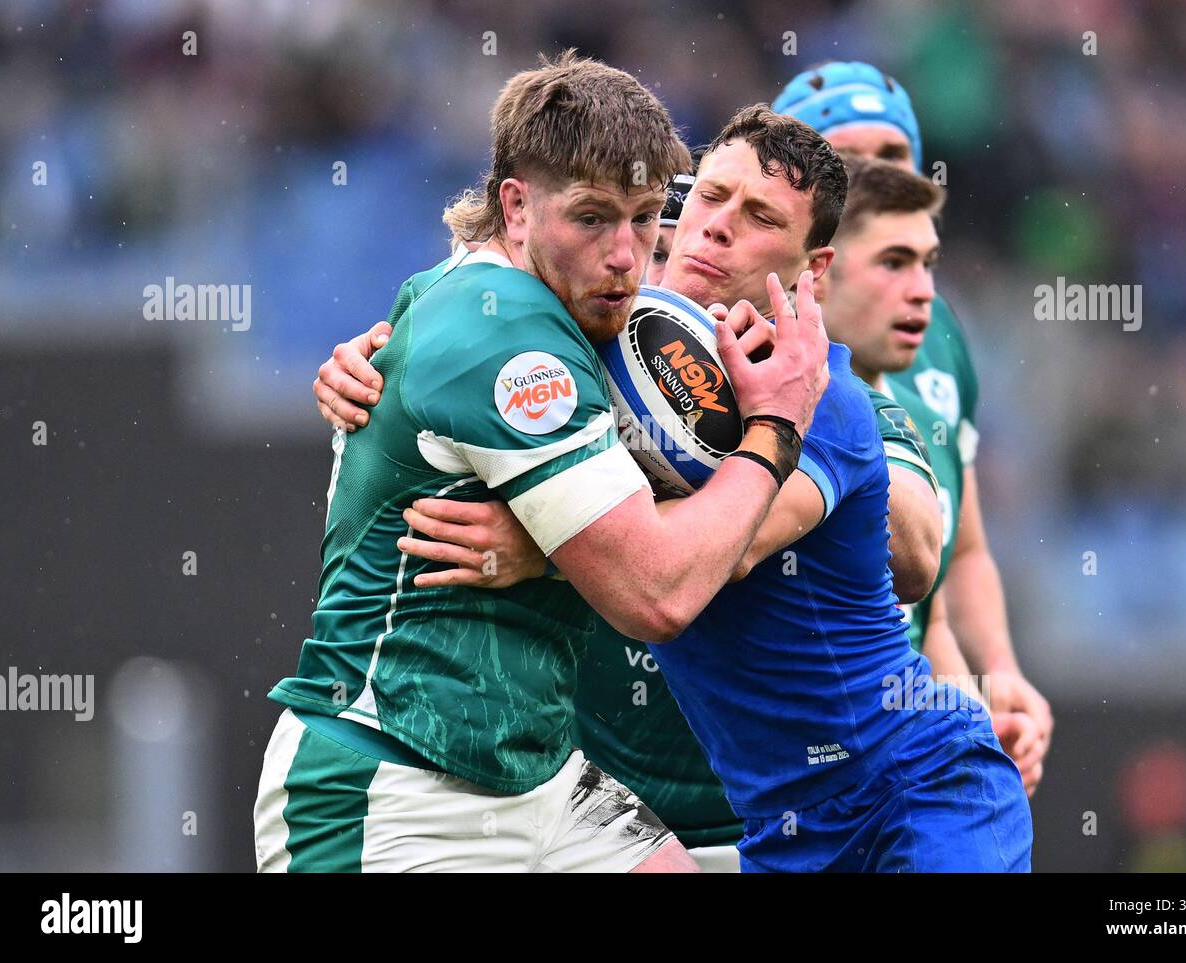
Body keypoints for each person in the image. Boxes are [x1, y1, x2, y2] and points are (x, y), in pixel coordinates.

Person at [317, 105, 1031, 872]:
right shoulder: (596, 342)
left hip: (914, 788)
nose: (717, 226)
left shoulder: (808, 391)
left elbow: (728, 547)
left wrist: (548, 544)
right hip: (777, 831)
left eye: (759, 216)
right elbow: (474, 305)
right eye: (709, 196)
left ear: (812, 269)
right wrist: (379, 358)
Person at [254, 53, 831, 873]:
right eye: (593, 217)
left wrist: (546, 548)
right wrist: (775, 427)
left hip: (537, 780)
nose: (627, 256)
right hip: (393, 787)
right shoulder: (512, 340)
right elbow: (653, 592)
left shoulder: (501, 294)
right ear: (516, 206)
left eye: (642, 217)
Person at [773, 61, 1052, 794]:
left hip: (881, 758)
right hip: (749, 780)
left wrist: (996, 678)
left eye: (890, 158)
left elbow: (960, 553)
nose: (867, 175)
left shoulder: (941, 338)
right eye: (840, 155)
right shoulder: (733, 349)